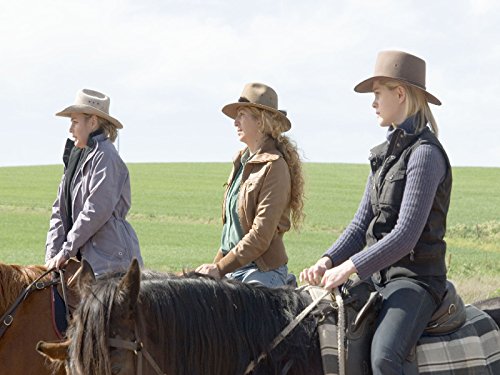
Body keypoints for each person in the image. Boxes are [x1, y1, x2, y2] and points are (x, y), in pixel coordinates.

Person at [300, 50, 452, 375]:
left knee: (384, 358)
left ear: (400, 93)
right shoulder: (382, 157)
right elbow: (359, 226)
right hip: (377, 277)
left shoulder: (425, 155)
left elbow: (406, 236)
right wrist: (326, 260)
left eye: (377, 94)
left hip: (415, 281)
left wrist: (348, 268)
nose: (373, 104)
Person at [196, 83, 304, 287]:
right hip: (232, 269)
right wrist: (214, 268)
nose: (235, 122)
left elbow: (261, 235)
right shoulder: (240, 161)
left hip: (261, 271)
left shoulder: (275, 166)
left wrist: (219, 269)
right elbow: (231, 232)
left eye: (242, 114)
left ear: (261, 120)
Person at [45, 88, 143, 276]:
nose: (70, 129)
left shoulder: (106, 157)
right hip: (81, 260)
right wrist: (51, 258)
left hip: (109, 263)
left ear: (92, 122)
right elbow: (59, 211)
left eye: (74, 122)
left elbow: (96, 210)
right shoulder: (76, 159)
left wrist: (66, 251)